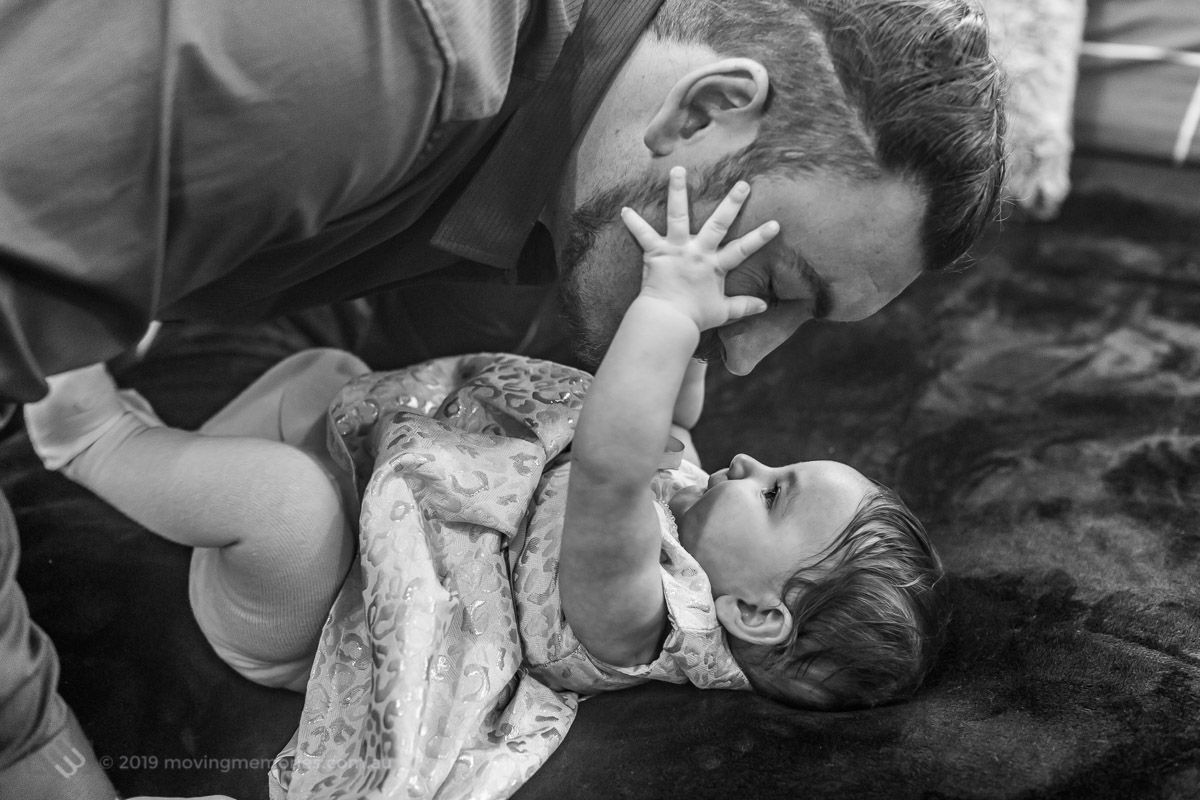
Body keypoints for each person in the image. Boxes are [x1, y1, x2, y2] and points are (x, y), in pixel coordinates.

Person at [1, 0, 1000, 794]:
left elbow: (593, 446)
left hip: (320, 540)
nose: (745, 364)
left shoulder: (570, 189)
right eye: (777, 283)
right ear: (699, 112)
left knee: (300, 472)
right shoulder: (366, 58)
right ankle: (95, 434)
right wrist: (27, 738)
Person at [24, 170, 944, 728]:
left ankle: (89, 436)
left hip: (315, 615)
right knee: (327, 376)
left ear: (757, 616)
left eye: (776, 494)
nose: (749, 464)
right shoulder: (689, 507)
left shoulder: (636, 620)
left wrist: (665, 309)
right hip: (383, 511)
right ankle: (171, 452)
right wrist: (700, 318)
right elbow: (663, 421)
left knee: (288, 508)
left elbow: (615, 464)